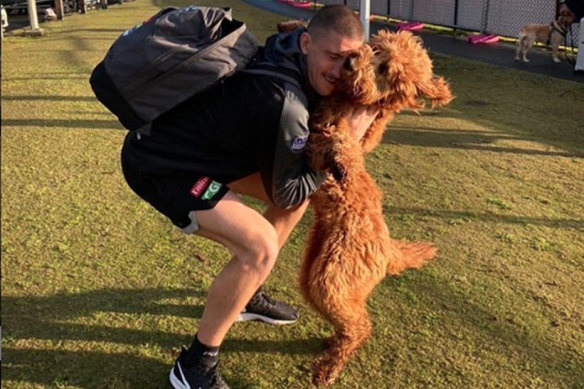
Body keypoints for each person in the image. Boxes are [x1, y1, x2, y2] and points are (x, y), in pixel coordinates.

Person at [120, 5, 376, 389]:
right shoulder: (284, 103)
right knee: (260, 248)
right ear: (307, 43)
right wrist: (349, 142)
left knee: (296, 201)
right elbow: (288, 182)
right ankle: (194, 367)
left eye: (349, 60)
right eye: (332, 57)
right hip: (163, 166)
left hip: (205, 150)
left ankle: (246, 294)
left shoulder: (290, 46)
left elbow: (288, 191)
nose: (340, 71)